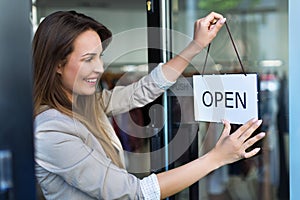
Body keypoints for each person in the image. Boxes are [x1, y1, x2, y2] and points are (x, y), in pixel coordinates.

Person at [33, 10, 265, 199]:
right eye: (88, 59)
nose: (100, 68)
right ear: (58, 65)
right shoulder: (50, 131)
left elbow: (143, 90)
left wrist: (196, 45)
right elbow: (133, 192)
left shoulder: (87, 104)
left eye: (100, 56)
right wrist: (216, 158)